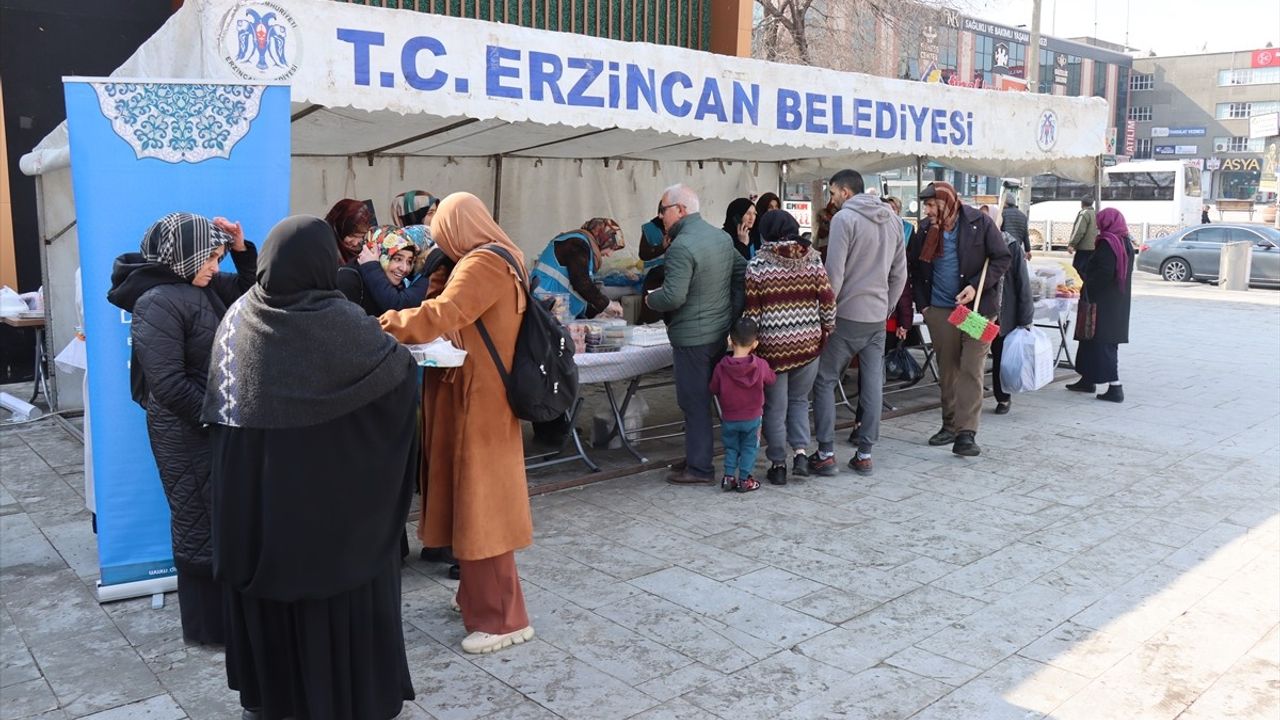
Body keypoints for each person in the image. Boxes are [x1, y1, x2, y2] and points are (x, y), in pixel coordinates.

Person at [203, 216, 417, 720]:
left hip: (262, 518)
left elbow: (224, 413)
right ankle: (349, 697)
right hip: (337, 524)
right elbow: (401, 374)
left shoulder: (238, 320)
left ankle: (274, 695)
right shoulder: (344, 324)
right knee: (339, 601)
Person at [379, 192, 536, 655]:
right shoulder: (503, 257)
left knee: (482, 504)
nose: (438, 237)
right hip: (475, 393)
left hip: (478, 398)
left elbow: (444, 314)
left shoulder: (483, 263)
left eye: (442, 228)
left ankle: (504, 617)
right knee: (472, 500)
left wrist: (384, 323)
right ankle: (476, 595)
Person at [106, 212, 257, 646]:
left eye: (218, 256)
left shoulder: (200, 288)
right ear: (183, 256)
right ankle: (209, 630)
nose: (216, 266)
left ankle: (227, 623)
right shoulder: (158, 301)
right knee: (196, 522)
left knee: (216, 520)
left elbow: (251, 294)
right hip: (186, 431)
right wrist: (217, 418)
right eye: (209, 257)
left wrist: (241, 250)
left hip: (210, 426)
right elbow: (167, 383)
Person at [646, 184, 748, 484]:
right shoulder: (719, 237)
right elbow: (743, 273)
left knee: (694, 403)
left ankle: (700, 467)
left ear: (680, 210)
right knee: (703, 402)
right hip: (716, 332)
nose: (660, 217)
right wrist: (732, 312)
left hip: (692, 337)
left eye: (663, 210)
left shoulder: (682, 246)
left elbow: (674, 297)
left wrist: (651, 299)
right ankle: (697, 456)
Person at [809, 170, 907, 477]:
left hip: (848, 314)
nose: (832, 199)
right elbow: (899, 274)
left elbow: (833, 274)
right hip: (877, 316)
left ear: (846, 193)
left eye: (833, 193)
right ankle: (865, 453)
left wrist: (826, 315)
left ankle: (826, 453)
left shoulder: (844, 220)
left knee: (824, 379)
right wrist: (887, 307)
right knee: (873, 383)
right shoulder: (892, 219)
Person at [908, 182, 1011, 457]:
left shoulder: (980, 223)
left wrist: (976, 286)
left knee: (971, 367)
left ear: (945, 202)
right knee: (949, 370)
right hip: (941, 311)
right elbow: (915, 270)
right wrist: (925, 307)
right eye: (926, 205)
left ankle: (967, 433)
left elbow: (1002, 258)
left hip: (977, 310)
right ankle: (950, 424)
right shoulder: (926, 230)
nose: (927, 210)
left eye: (932, 205)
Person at [743, 210, 835, 485]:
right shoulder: (813, 259)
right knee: (799, 401)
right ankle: (801, 454)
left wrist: (749, 345)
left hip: (772, 349)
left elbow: (752, 313)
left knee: (774, 406)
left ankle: (778, 464)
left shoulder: (757, 265)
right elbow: (828, 300)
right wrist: (827, 328)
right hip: (808, 344)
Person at [1066, 207, 1134, 403]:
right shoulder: (1124, 241)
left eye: (1100, 221)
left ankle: (1115, 387)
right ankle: (1087, 379)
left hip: (1103, 302)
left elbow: (1104, 272)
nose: (1097, 225)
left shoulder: (1108, 243)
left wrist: (1087, 282)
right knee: (1090, 340)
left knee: (1103, 343)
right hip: (1117, 302)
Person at [710, 317, 776, 493]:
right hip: (753, 418)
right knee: (749, 448)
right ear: (755, 344)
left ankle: (729, 476)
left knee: (731, 447)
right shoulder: (760, 365)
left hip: (729, 417)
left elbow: (713, 387)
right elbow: (771, 379)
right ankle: (745, 479)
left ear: (730, 340)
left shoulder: (721, 367)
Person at [529, 218, 625, 320]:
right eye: (611, 248)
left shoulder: (584, 245)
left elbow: (579, 291)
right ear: (602, 238)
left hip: (553, 311)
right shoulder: (577, 244)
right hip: (544, 309)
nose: (609, 254)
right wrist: (607, 305)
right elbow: (581, 282)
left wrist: (595, 314)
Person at [990, 228, 1036, 414]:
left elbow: (1022, 282)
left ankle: (1003, 398)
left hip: (1003, 314)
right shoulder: (975, 242)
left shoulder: (1010, 245)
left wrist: (1025, 318)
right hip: (978, 314)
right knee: (974, 355)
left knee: (999, 355)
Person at [337, 225, 431, 315]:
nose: (404, 268)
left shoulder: (393, 283)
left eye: (409, 261)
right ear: (379, 254)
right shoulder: (349, 279)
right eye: (397, 259)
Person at [323, 199, 373, 266]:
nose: (355, 243)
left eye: (361, 236)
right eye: (352, 236)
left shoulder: (361, 247)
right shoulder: (327, 252)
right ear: (338, 229)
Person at [1068, 198, 1099, 280]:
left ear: (1082, 203)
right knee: (1089, 272)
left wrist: (1072, 244)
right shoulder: (1096, 213)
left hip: (1084, 248)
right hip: (1094, 247)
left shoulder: (1084, 214)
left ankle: (1080, 291)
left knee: (1078, 272)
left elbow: (1079, 230)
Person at [999, 193, 1032, 259]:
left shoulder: (1002, 214)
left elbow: (997, 230)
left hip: (1004, 248)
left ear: (1005, 203)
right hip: (1017, 249)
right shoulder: (1023, 216)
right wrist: (1028, 250)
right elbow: (1026, 236)